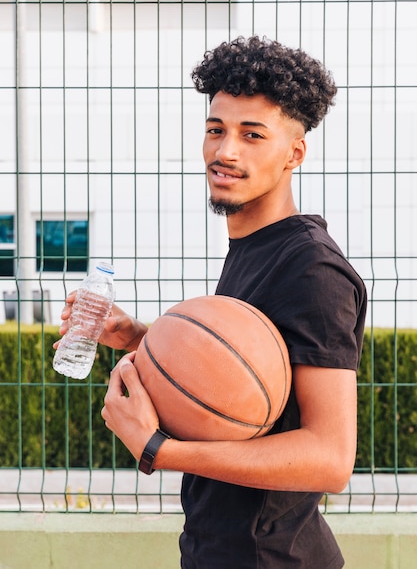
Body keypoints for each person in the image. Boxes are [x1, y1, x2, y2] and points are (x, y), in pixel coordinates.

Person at [57, 36, 367, 568]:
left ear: (295, 152)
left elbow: (330, 458)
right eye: (216, 130)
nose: (226, 152)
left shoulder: (311, 268)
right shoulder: (253, 247)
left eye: (252, 135)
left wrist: (158, 449)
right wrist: (136, 337)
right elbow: (242, 376)